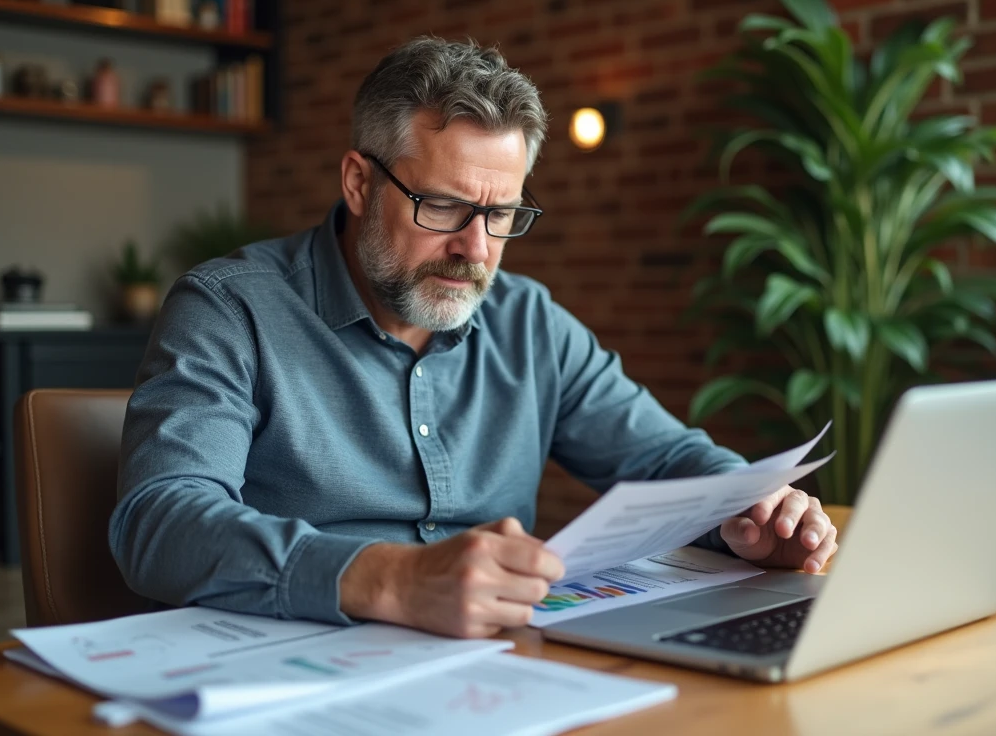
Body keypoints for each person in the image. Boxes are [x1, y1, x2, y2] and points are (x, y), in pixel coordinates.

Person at [110, 37, 838, 639]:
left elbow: (663, 454)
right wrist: (389, 579)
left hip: (495, 674)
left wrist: (748, 507)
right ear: (360, 183)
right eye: (445, 207)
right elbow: (160, 517)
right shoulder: (230, 307)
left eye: (503, 215)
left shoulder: (530, 322)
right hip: (292, 667)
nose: (476, 248)